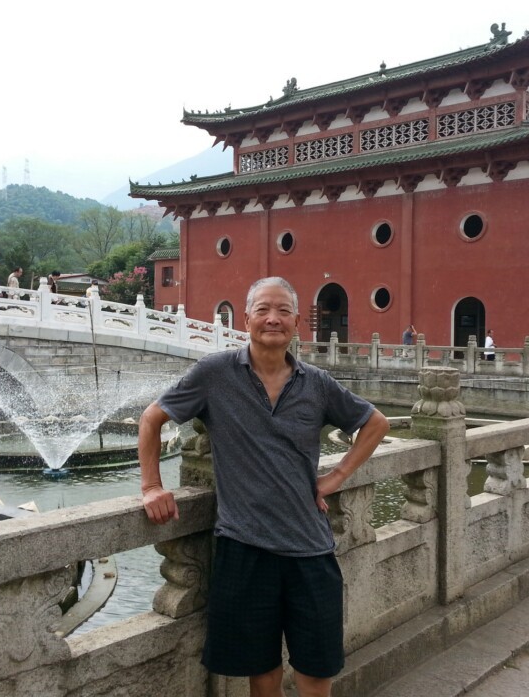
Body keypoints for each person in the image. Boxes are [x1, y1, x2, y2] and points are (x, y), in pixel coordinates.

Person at [138, 276, 389, 697]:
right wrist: (150, 486)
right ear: (246, 317)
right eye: (263, 310)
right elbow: (151, 419)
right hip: (244, 548)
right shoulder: (214, 374)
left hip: (311, 549)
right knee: (262, 671)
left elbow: (375, 424)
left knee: (315, 672)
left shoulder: (317, 383)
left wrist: (337, 476)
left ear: (296, 322)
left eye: (283, 311)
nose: (273, 319)